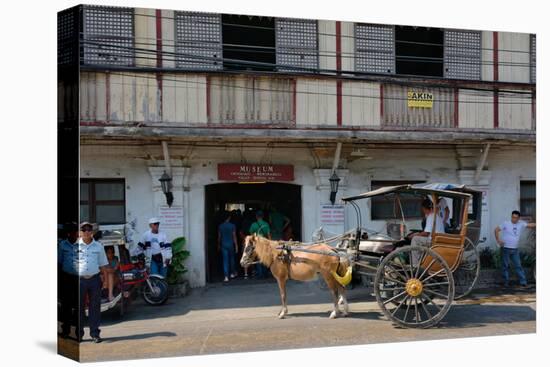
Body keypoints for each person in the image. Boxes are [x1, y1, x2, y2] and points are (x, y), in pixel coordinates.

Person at [77, 222, 109, 343]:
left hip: (94, 280)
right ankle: (78, 334)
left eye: (89, 229)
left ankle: (95, 333)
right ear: (80, 232)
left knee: (95, 308)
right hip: (79, 280)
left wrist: (105, 281)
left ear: (92, 232)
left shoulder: (98, 246)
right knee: (78, 308)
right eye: (83, 229)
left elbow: (103, 265)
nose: (86, 232)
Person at [495, 210, 536, 288]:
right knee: (505, 266)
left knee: (518, 266)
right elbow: (496, 230)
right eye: (513, 217)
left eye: (516, 218)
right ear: (511, 216)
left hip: (515, 250)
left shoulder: (521, 224)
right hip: (505, 248)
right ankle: (506, 282)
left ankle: (523, 282)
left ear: (519, 218)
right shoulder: (506, 223)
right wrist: (498, 240)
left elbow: (530, 225)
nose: (514, 219)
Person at [57, 222, 79, 339]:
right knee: (66, 305)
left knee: (77, 306)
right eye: (72, 232)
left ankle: (77, 333)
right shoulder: (62, 245)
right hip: (66, 278)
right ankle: (65, 330)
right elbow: (59, 262)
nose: (74, 234)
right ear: (69, 233)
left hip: (78, 279)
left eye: (75, 232)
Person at [249, 210, 271, 278]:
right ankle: (265, 274)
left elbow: (251, 235)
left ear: (256, 217)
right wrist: (270, 243)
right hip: (264, 243)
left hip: (257, 244)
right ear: (263, 216)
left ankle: (260, 274)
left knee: (258, 258)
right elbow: (269, 235)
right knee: (264, 258)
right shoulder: (266, 224)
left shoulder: (253, 224)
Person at [218, 211, 238, 282]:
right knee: (232, 259)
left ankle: (226, 277)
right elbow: (234, 236)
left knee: (225, 260)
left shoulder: (220, 226)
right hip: (231, 244)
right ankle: (232, 273)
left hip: (223, 244)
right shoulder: (232, 225)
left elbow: (219, 237)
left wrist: (218, 245)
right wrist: (236, 245)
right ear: (229, 218)